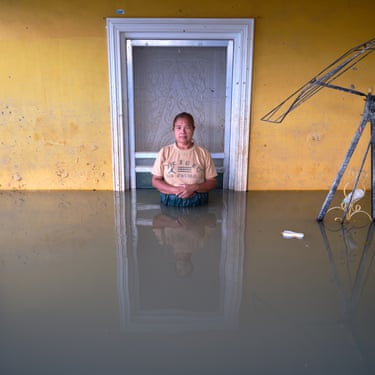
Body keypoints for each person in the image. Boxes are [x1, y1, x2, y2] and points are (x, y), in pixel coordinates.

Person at [151, 112, 217, 207]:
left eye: (187, 127)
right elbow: (155, 181)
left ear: (193, 130)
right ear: (173, 130)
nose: (183, 131)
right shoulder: (164, 152)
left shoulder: (203, 153)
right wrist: (175, 190)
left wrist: (195, 187)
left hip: (198, 200)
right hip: (169, 200)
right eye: (178, 127)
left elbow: (212, 182)